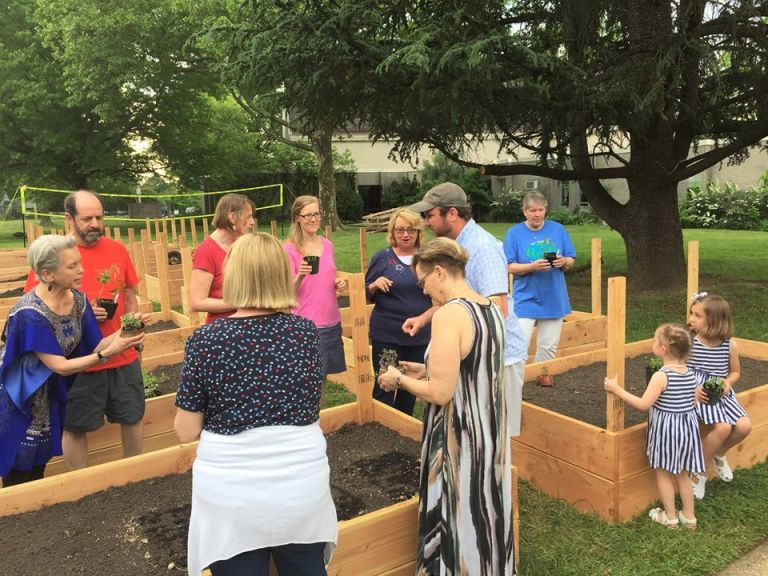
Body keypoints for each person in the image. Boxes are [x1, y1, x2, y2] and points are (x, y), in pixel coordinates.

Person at [175, 232, 337, 576]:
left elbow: (186, 430)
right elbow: (308, 402)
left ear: (234, 275)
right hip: (301, 484)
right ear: (280, 274)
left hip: (232, 494)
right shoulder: (306, 332)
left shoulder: (207, 340)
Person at [378, 237, 514, 573]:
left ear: (439, 273)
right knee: (484, 507)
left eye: (423, 282)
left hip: (458, 434)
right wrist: (423, 369)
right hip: (489, 429)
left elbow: (441, 393)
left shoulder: (449, 315)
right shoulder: (490, 308)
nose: (424, 291)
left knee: (456, 509)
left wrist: (397, 378)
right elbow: (471, 367)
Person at [1, 235, 145, 486]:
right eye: (72, 266)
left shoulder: (77, 300)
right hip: (20, 398)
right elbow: (61, 366)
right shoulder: (30, 314)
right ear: (47, 274)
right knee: (19, 469)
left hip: (47, 395)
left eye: (79, 263)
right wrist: (107, 354)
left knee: (39, 465)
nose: (82, 270)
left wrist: (123, 333)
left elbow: (93, 344)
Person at [24, 190, 148, 470]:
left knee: (132, 415)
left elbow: (129, 295)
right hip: (78, 361)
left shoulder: (117, 249)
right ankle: (82, 485)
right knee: (75, 425)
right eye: (87, 218)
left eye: (99, 217)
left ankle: (136, 474)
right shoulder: (53, 256)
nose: (95, 224)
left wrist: (136, 338)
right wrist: (83, 309)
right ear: (69, 218)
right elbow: (37, 306)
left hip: (121, 354)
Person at [408, 182, 528, 437]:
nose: (427, 222)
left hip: (497, 358)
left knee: (495, 436)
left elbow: (497, 310)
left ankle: (499, 478)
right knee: (475, 434)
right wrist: (426, 317)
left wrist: (455, 347)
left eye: (430, 215)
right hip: (474, 355)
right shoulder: (455, 246)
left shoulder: (482, 248)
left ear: (452, 214)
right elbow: (461, 297)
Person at [604, 323, 703, 529]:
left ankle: (670, 517)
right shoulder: (691, 373)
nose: (652, 343)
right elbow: (693, 402)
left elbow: (643, 404)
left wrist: (616, 389)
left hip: (667, 432)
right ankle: (689, 517)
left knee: (663, 473)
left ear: (663, 349)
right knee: (683, 474)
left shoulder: (661, 376)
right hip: (687, 431)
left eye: (654, 340)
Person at [365, 208, 434, 415]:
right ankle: (383, 427)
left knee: (410, 387)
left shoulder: (428, 258)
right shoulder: (382, 258)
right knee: (385, 383)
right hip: (387, 335)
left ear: (419, 232)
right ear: (392, 231)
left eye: (411, 230)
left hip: (419, 335)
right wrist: (373, 285)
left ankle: (404, 430)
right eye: (400, 230)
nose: (405, 235)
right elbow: (365, 292)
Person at [503, 191, 576, 386]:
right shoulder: (514, 233)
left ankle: (543, 373)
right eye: (532, 210)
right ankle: (515, 380)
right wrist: (531, 267)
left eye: (541, 210)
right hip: (526, 297)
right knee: (519, 341)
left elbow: (571, 260)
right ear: (524, 211)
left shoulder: (558, 230)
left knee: (548, 344)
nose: (537, 214)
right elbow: (509, 266)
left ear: (545, 210)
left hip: (554, 296)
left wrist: (563, 261)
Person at [687, 292, 752, 500]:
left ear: (714, 321)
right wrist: (691, 389)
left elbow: (735, 372)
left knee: (744, 426)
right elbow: (679, 369)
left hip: (721, 392)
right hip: (699, 392)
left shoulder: (729, 345)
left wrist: (728, 382)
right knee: (723, 427)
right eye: (691, 313)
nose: (691, 319)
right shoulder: (690, 342)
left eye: (697, 315)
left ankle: (719, 453)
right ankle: (699, 473)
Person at [283, 195, 346, 376]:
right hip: (305, 324)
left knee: (323, 379)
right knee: (306, 379)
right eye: (307, 215)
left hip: (331, 319)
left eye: (316, 214)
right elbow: (287, 293)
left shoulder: (327, 244)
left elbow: (327, 277)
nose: (313, 219)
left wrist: (337, 283)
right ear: (297, 218)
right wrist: (300, 275)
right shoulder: (289, 249)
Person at [189, 193, 255, 323]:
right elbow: (197, 302)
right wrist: (243, 302)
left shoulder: (241, 244)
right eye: (249, 217)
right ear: (232, 217)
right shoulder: (207, 251)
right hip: (223, 330)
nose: (252, 222)